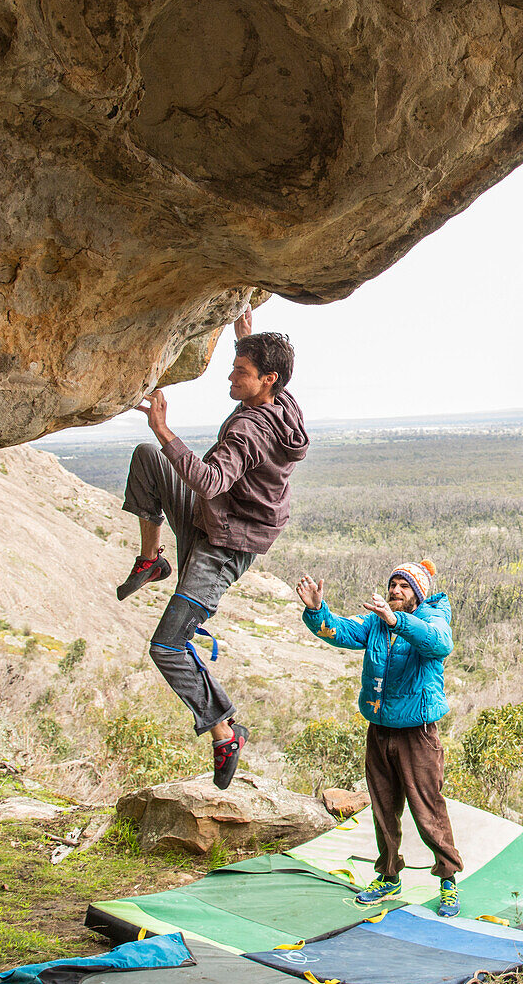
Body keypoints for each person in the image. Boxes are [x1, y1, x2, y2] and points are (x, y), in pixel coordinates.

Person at [117, 306, 308, 789]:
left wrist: (163, 428)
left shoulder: (250, 431)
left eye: (239, 372)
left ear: (268, 379)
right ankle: (151, 560)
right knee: (147, 461)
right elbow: (258, 366)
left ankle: (225, 731)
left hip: (223, 545)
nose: (230, 377)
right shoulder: (282, 401)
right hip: (214, 518)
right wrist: (245, 334)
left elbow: (208, 478)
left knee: (167, 646)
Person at [295, 560, 463, 917]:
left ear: (417, 593)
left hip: (417, 732)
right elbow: (339, 631)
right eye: (393, 585)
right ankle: (388, 875)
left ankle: (448, 880)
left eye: (404, 587)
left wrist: (396, 620)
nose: (395, 591)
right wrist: (315, 610)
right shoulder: (375, 623)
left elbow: (438, 644)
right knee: (384, 807)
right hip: (379, 728)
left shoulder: (431, 619)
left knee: (427, 808)